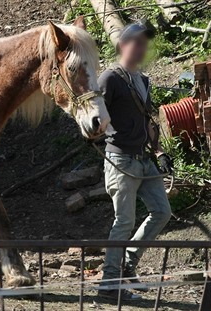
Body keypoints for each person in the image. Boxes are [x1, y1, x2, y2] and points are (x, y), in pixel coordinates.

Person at [97, 22, 174, 301]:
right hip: (120, 159)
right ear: (123, 45)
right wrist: (95, 136)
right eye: (136, 42)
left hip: (144, 159)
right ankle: (108, 285)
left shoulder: (144, 80)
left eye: (144, 43)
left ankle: (127, 265)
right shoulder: (109, 78)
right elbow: (93, 113)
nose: (141, 48)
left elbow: (149, 122)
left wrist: (159, 152)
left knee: (162, 211)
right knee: (124, 222)